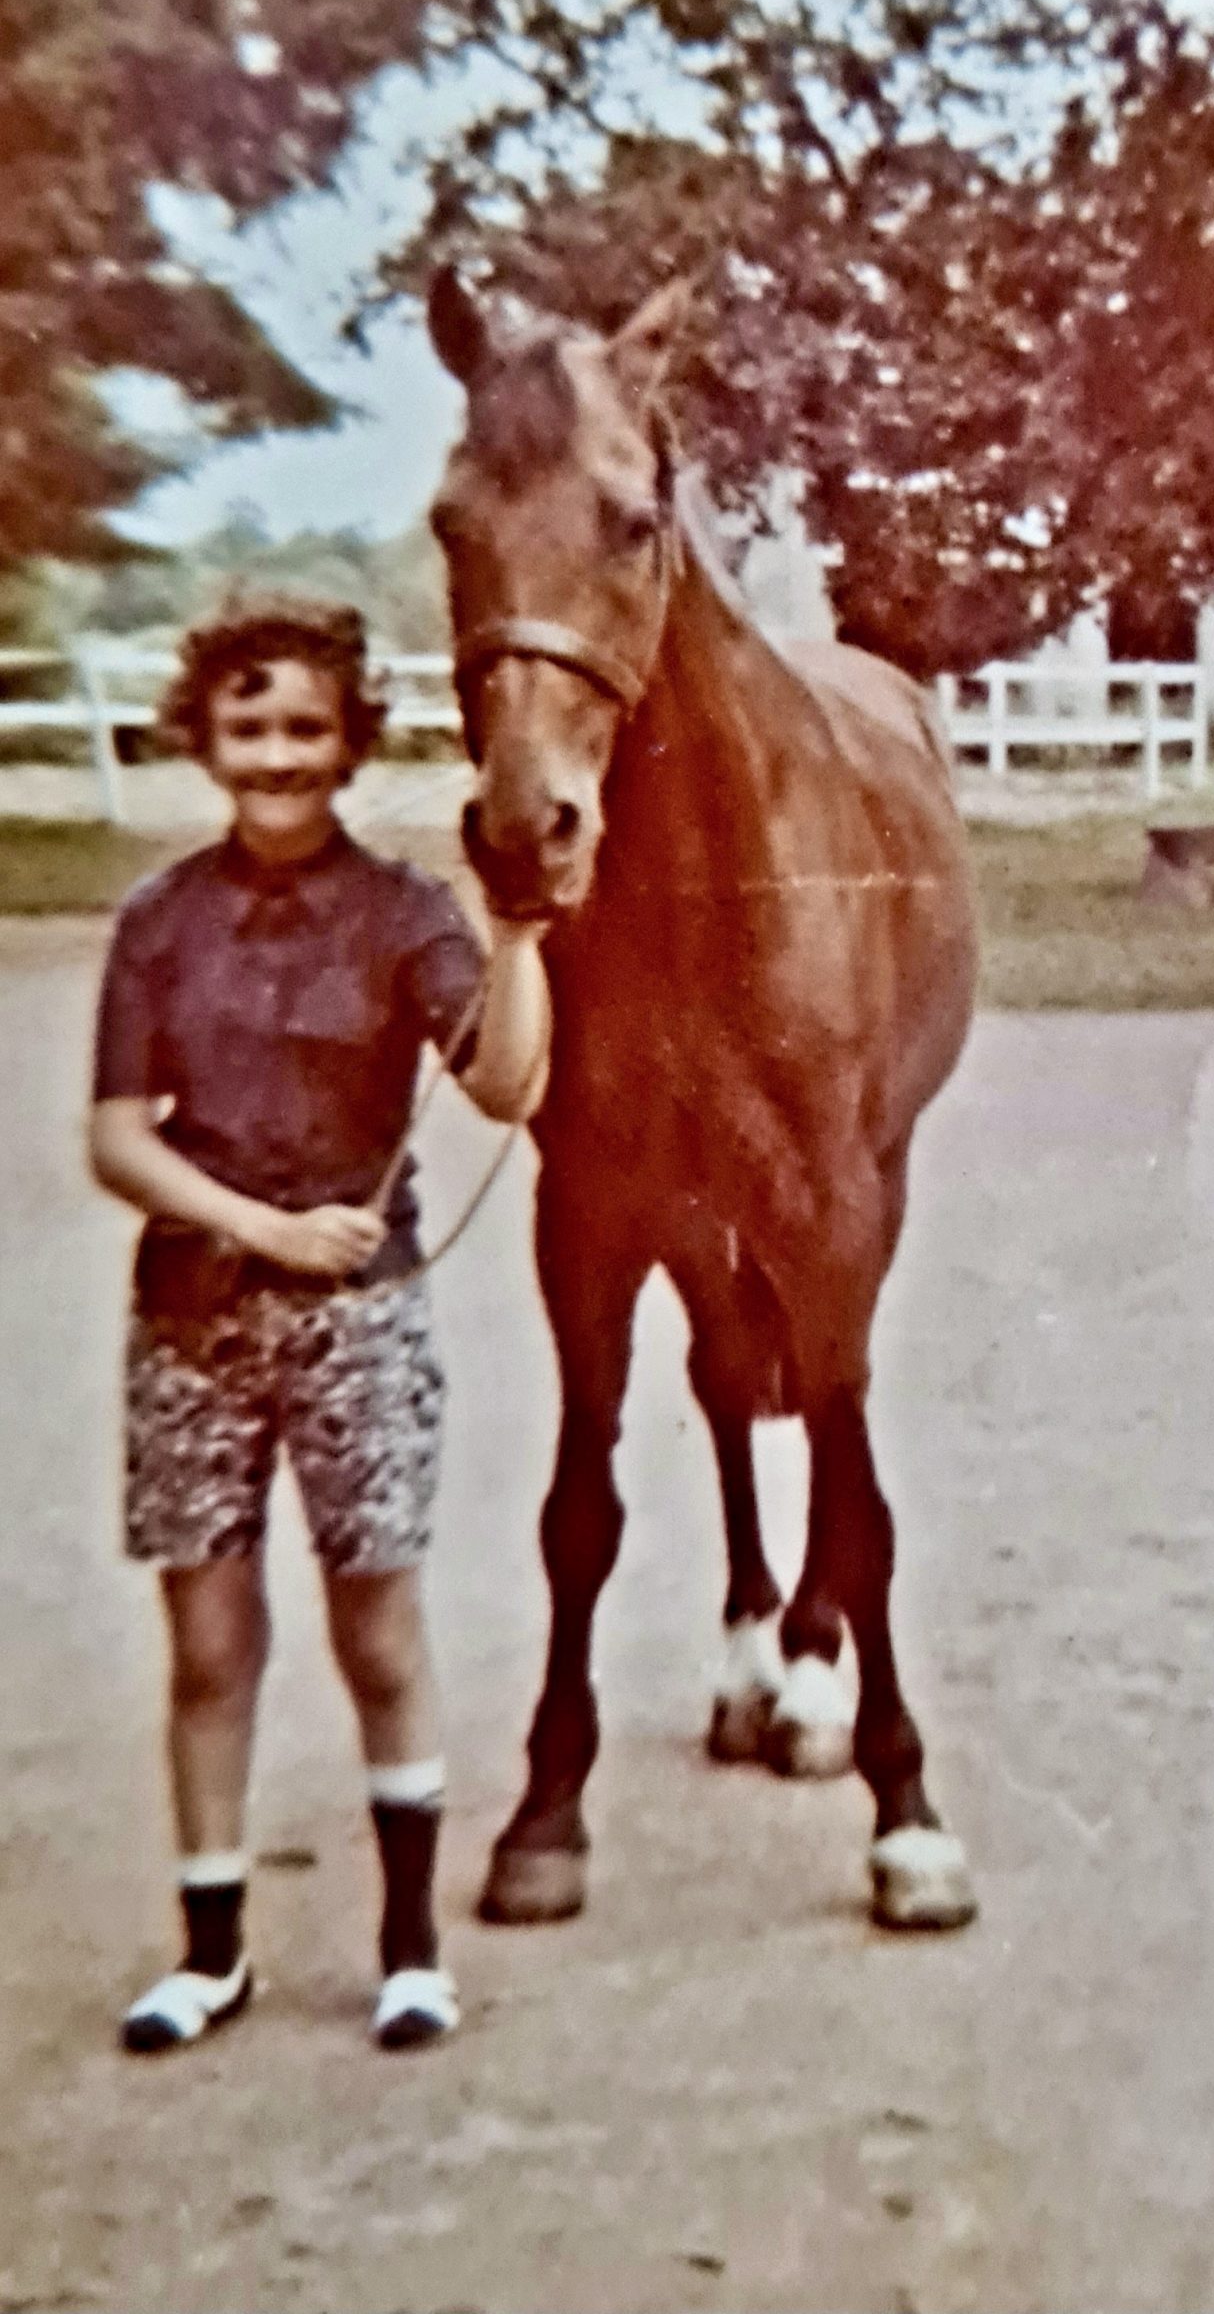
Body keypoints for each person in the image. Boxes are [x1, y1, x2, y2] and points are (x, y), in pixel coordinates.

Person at [88, 592, 549, 2054]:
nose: (276, 753)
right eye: (248, 725)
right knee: (210, 1645)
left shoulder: (404, 913)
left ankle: (411, 1948)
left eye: (304, 727)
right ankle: (208, 1949)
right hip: (192, 1322)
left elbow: (507, 1087)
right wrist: (261, 1227)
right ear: (205, 737)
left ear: (350, 743)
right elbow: (116, 1138)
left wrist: (518, 935)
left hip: (359, 1327)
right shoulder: (159, 923)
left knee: (379, 1632)